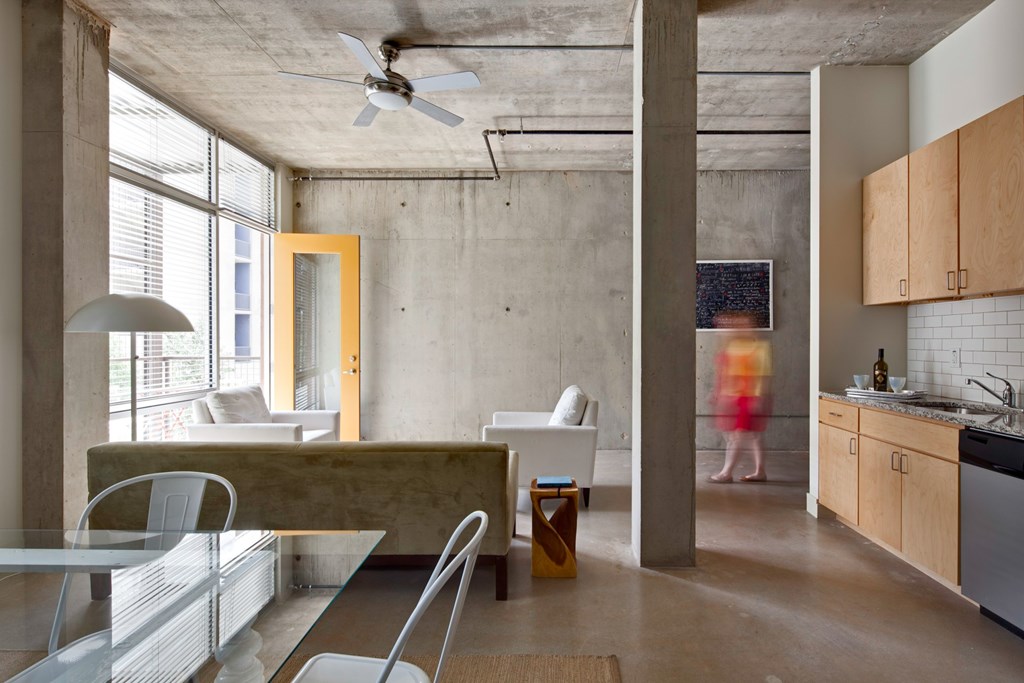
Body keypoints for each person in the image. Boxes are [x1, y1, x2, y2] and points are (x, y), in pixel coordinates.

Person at [708, 310, 772, 483]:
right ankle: (760, 472)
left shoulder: (759, 348)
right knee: (752, 435)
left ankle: (726, 473)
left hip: (748, 398)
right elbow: (725, 374)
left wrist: (757, 398)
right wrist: (717, 392)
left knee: (738, 435)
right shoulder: (733, 346)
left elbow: (763, 375)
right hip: (733, 398)